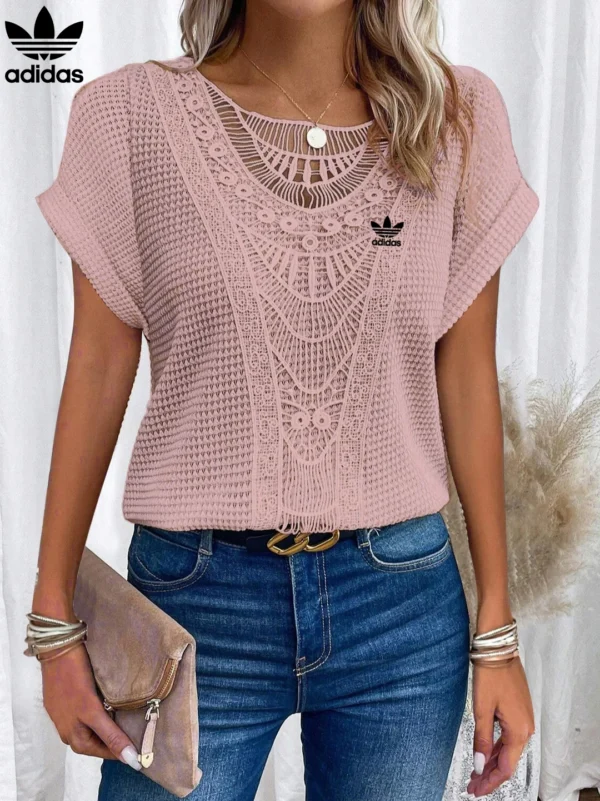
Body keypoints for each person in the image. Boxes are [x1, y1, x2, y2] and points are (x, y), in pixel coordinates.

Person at [30, 1, 540, 799]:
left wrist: (497, 633)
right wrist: (54, 620)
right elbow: (97, 365)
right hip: (194, 609)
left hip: (402, 611)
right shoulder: (127, 117)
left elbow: (467, 374)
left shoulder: (457, 118)